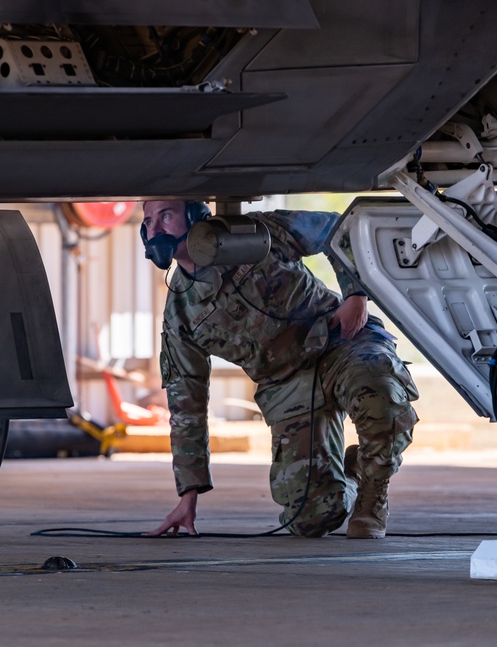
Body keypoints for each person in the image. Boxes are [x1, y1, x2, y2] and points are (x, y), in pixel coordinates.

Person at [139, 200, 418, 539]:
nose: (154, 229)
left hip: (339, 341)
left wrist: (355, 295)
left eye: (166, 216)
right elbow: (187, 407)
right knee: (312, 518)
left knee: (381, 399)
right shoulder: (180, 315)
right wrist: (188, 494)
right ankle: (352, 474)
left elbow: (336, 228)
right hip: (288, 387)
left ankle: (373, 497)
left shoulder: (256, 235)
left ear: (197, 218)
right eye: (148, 220)